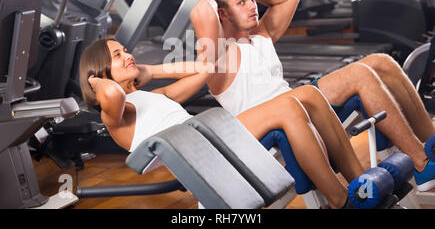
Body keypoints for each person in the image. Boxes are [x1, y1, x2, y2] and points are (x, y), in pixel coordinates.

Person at [189, 0, 435, 193]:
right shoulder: (219, 54)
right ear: (222, 12)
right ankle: (420, 162)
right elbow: (202, 10)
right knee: (360, 75)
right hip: (270, 117)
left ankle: (430, 146)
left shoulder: (261, 35)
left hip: (300, 100)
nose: (253, 6)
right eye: (242, 3)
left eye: (253, 1)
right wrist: (222, 0)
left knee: (381, 62)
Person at [80, 37, 371, 209]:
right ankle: (340, 200)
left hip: (214, 137)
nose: (128, 55)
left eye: (125, 50)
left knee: (305, 94)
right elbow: (111, 93)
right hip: (204, 152)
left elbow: (207, 69)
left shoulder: (155, 95)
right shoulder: (116, 114)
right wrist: (95, 81)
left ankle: (360, 183)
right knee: (289, 108)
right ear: (98, 73)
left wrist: (152, 70)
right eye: (117, 55)